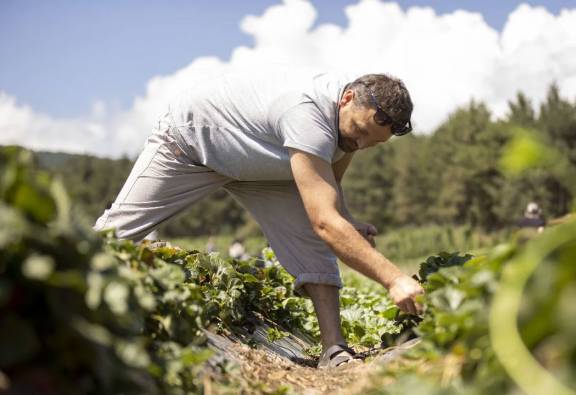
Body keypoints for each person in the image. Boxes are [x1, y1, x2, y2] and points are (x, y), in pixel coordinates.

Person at [93, 67, 423, 368]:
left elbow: (331, 188)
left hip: (262, 163)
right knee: (117, 234)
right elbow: (325, 222)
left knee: (310, 241)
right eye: (360, 132)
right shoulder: (308, 115)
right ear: (347, 98)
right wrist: (394, 279)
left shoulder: (347, 124)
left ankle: (333, 349)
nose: (359, 144)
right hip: (191, 143)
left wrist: (348, 220)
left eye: (371, 143)